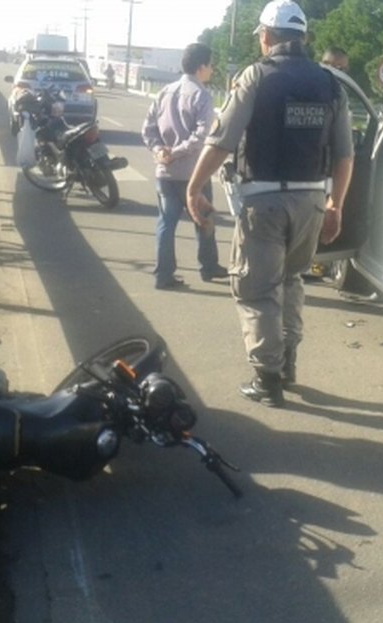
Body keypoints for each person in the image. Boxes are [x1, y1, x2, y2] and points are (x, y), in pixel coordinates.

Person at [186, 0, 354, 408]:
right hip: (312, 200)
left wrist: (194, 188)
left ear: (266, 36)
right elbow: (345, 155)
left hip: (264, 202)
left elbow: (223, 141)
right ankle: (288, 360)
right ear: (303, 39)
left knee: (257, 289)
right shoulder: (331, 84)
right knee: (292, 279)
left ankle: (267, 379)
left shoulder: (256, 77)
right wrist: (336, 205)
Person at [141, 43, 226, 290]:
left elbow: (148, 129)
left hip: (165, 172)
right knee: (203, 216)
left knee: (166, 223)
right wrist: (175, 152)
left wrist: (160, 151)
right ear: (201, 67)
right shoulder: (201, 95)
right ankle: (208, 267)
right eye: (210, 66)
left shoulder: (164, 92)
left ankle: (163, 274)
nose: (211, 70)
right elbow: (202, 137)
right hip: (193, 172)